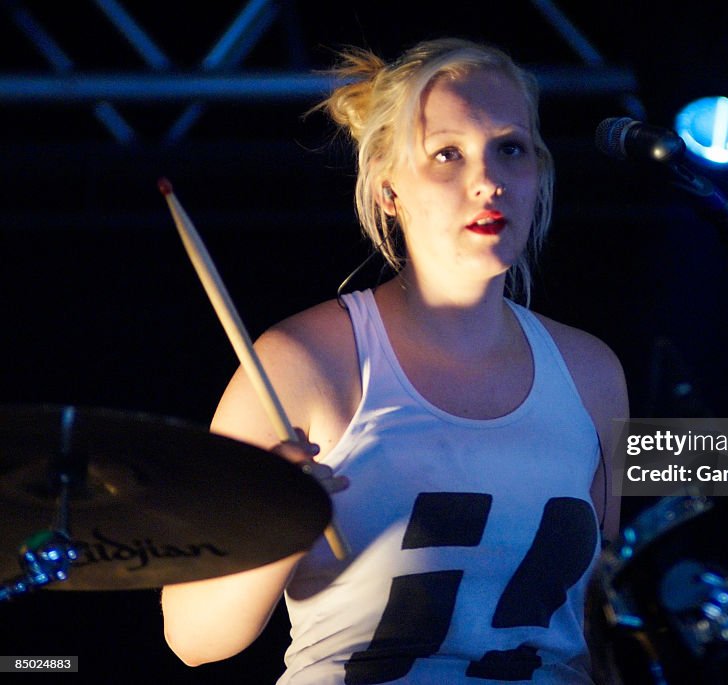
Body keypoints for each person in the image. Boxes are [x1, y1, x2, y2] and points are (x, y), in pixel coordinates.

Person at [161, 37, 629, 684]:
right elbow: (192, 638)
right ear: (387, 187)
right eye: (447, 154)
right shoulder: (303, 364)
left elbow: (607, 621)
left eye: (510, 148)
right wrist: (274, 515)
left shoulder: (592, 373)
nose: (489, 180)